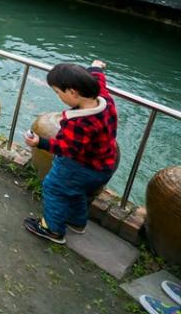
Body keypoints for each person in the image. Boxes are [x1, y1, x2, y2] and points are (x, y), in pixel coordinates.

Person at [23, 59, 118, 244]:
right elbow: (99, 80)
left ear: (73, 92)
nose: (58, 96)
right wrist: (96, 68)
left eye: (58, 92)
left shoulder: (80, 123)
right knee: (75, 192)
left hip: (80, 167)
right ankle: (77, 222)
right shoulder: (104, 99)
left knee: (54, 188)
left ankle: (52, 229)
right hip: (103, 164)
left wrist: (38, 142)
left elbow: (65, 148)